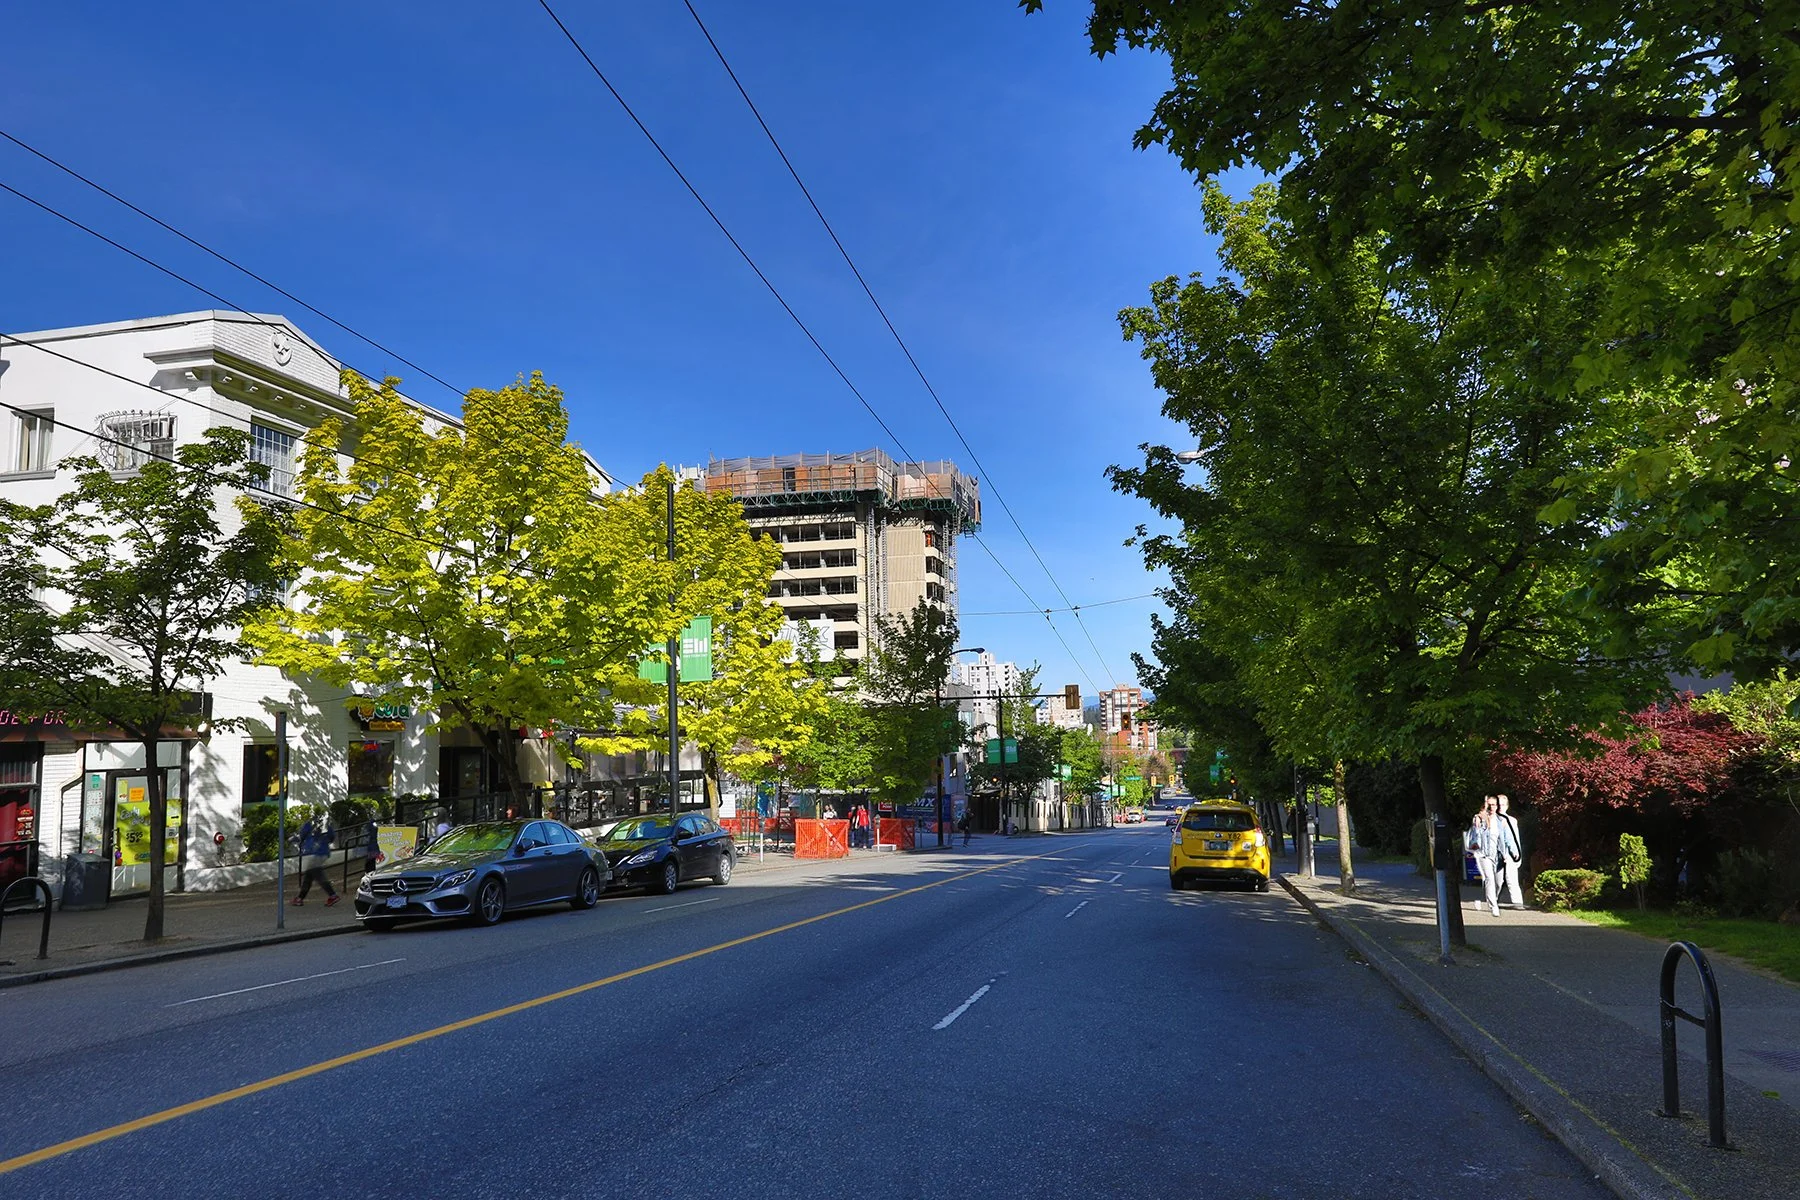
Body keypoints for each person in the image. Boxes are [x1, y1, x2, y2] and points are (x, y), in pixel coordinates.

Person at [292, 813, 339, 906]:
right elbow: (331, 837)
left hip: (314, 853)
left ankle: (333, 895)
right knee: (309, 876)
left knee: (318, 875)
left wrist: (292, 839)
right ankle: (300, 898)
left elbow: (302, 835)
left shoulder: (309, 824)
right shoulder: (326, 823)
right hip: (324, 851)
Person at [1466, 798, 1501, 917]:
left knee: (1499, 882)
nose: (1491, 808)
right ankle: (1494, 906)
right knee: (1489, 878)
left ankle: (1484, 899)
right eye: (1488, 806)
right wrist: (1483, 820)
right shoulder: (1478, 820)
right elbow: (1478, 835)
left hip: (1496, 855)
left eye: (1493, 805)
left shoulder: (1500, 820)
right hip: (1483, 855)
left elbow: (1502, 838)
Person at [1494, 794, 1525, 908]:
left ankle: (1518, 903)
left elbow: (1514, 839)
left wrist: (1516, 853)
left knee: (1512, 879)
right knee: (1498, 881)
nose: (1500, 807)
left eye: (1503, 805)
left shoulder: (1512, 821)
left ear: (1507, 806)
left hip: (1510, 854)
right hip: (1496, 855)